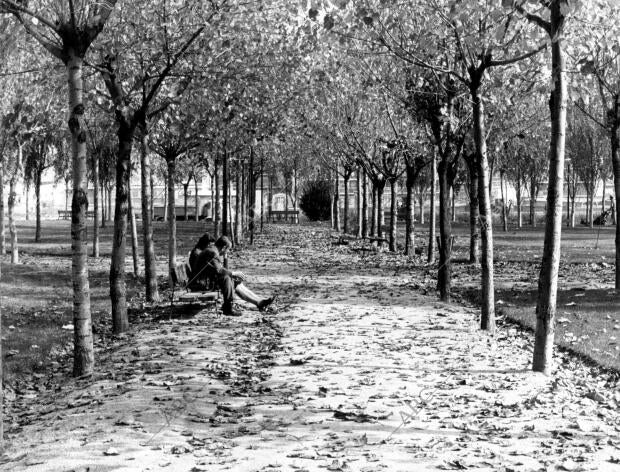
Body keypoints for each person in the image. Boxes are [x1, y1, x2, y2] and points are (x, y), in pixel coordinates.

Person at [188, 235, 274, 316]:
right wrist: (233, 273)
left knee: (232, 279)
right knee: (227, 278)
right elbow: (219, 270)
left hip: (206, 280)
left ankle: (259, 301)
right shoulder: (212, 252)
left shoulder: (213, 250)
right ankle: (228, 307)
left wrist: (226, 259)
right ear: (224, 247)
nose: (228, 251)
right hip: (200, 284)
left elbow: (220, 269)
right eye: (228, 249)